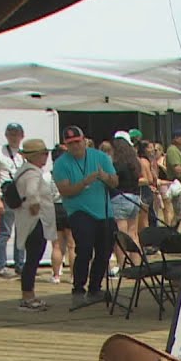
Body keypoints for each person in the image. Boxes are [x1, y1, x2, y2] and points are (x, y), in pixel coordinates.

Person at [53, 126, 118, 309]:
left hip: (104, 212)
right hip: (79, 211)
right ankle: (78, 289)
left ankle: (95, 288)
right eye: (70, 143)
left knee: (105, 251)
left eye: (77, 142)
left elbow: (115, 182)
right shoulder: (61, 164)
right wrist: (84, 183)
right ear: (66, 145)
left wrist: (105, 177)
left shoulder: (100, 157)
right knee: (84, 250)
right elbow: (65, 190)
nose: (75, 146)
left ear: (84, 140)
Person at [10, 139, 57, 311]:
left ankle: (29, 295)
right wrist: (36, 207)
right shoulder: (32, 173)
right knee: (33, 260)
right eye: (44, 153)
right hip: (36, 223)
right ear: (35, 156)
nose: (47, 156)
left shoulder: (24, 171)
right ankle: (28, 297)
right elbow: (31, 193)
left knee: (32, 259)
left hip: (29, 222)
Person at [0, 122, 26, 278]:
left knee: (22, 232)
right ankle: (1, 266)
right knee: (5, 232)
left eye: (16, 134)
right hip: (7, 196)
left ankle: (20, 265)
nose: (14, 137)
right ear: (6, 135)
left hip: (22, 197)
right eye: (11, 134)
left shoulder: (24, 153)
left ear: (22, 136)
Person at [109, 132, 144, 252]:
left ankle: (122, 262)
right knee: (133, 234)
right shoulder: (135, 163)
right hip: (135, 198)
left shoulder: (117, 164)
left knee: (121, 236)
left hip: (120, 198)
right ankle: (137, 261)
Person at [47, 144, 74, 285]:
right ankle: (73, 276)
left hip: (54, 208)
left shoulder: (47, 176)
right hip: (69, 207)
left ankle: (56, 275)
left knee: (56, 245)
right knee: (72, 245)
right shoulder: (71, 174)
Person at [164, 129, 181, 226]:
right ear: (176, 138)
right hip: (178, 186)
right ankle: (172, 231)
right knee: (179, 212)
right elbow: (177, 169)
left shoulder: (178, 151)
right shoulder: (172, 150)